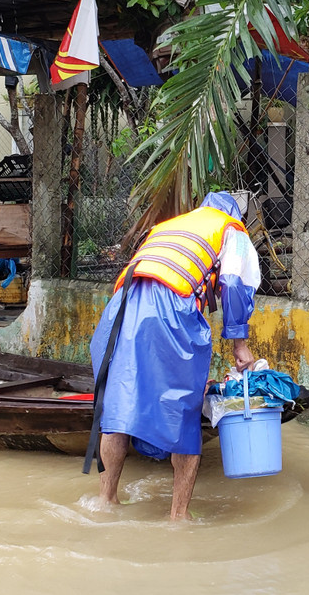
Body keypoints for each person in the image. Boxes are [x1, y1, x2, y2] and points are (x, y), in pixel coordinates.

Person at [88, 191, 260, 520]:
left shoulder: (172, 225)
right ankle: (178, 517)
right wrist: (239, 344)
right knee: (184, 413)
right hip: (169, 309)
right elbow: (233, 283)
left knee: (119, 408)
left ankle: (105, 502)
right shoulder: (231, 230)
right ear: (236, 215)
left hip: (120, 308)